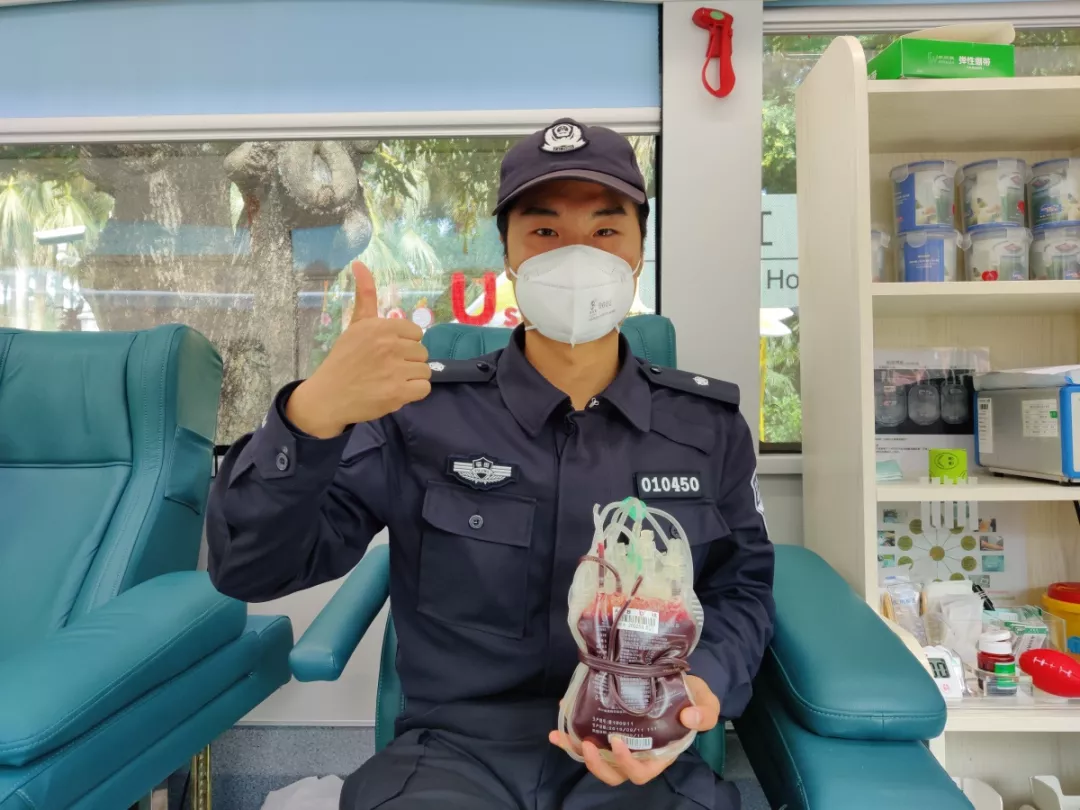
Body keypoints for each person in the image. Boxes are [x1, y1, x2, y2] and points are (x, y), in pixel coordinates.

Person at [206, 118, 775, 810]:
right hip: (452, 756)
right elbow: (252, 570)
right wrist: (310, 417)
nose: (576, 256)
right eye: (545, 230)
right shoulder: (417, 413)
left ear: (637, 251)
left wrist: (701, 682)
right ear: (508, 253)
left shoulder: (705, 429)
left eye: (604, 230)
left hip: (640, 745)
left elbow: (743, 586)